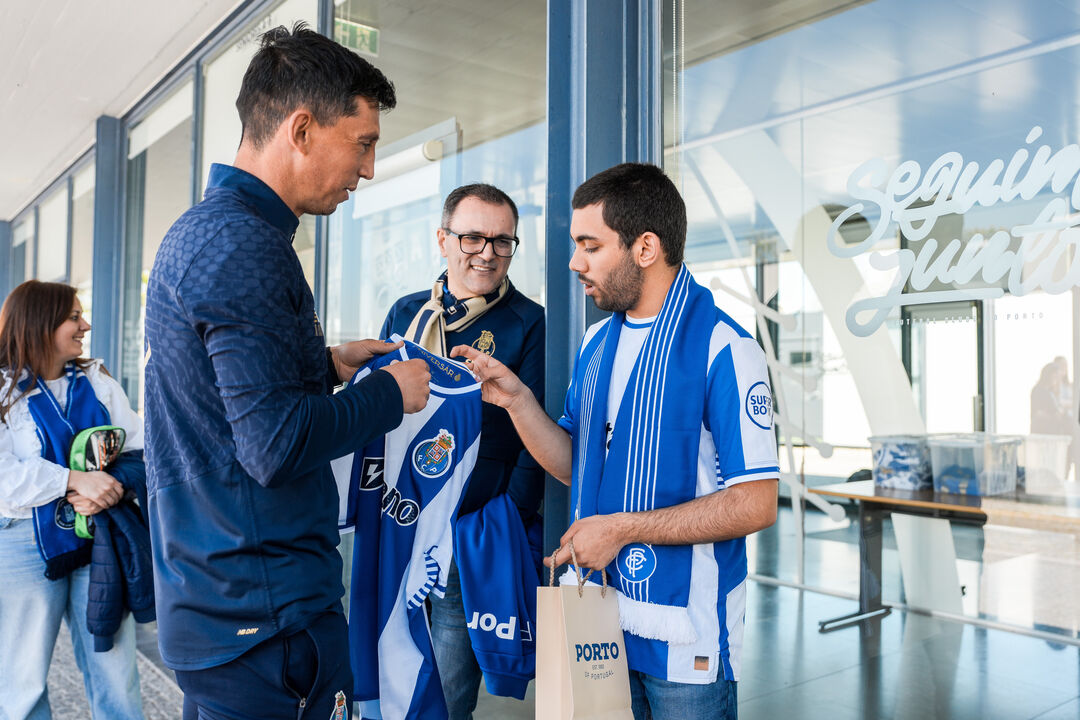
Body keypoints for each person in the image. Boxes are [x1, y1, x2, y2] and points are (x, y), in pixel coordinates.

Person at [143, 23, 431, 720]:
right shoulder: (245, 248)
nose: (367, 171)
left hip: (226, 602)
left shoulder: (206, 232)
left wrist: (328, 366)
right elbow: (272, 445)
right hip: (264, 619)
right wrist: (390, 396)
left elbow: (225, 402)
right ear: (301, 130)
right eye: (362, 144)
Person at [454, 163, 779, 720]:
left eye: (590, 245)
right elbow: (575, 467)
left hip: (686, 639)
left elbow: (756, 502)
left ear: (645, 247)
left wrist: (621, 529)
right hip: (599, 618)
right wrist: (516, 402)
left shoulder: (726, 349)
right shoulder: (598, 342)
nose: (575, 262)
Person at [379, 183, 545, 718]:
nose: (488, 253)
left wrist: (509, 515)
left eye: (502, 241)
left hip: (468, 529)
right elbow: (376, 407)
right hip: (400, 520)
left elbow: (534, 428)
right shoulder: (406, 311)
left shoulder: (528, 320)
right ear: (443, 239)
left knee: (449, 692)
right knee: (390, 666)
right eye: (473, 237)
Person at [0, 280, 145, 719]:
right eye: (74, 317)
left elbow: (139, 448)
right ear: (41, 322)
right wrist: (75, 480)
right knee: (21, 680)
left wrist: (111, 485)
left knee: (116, 671)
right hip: (24, 543)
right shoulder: (4, 389)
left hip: (101, 538)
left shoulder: (97, 381)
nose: (86, 325)